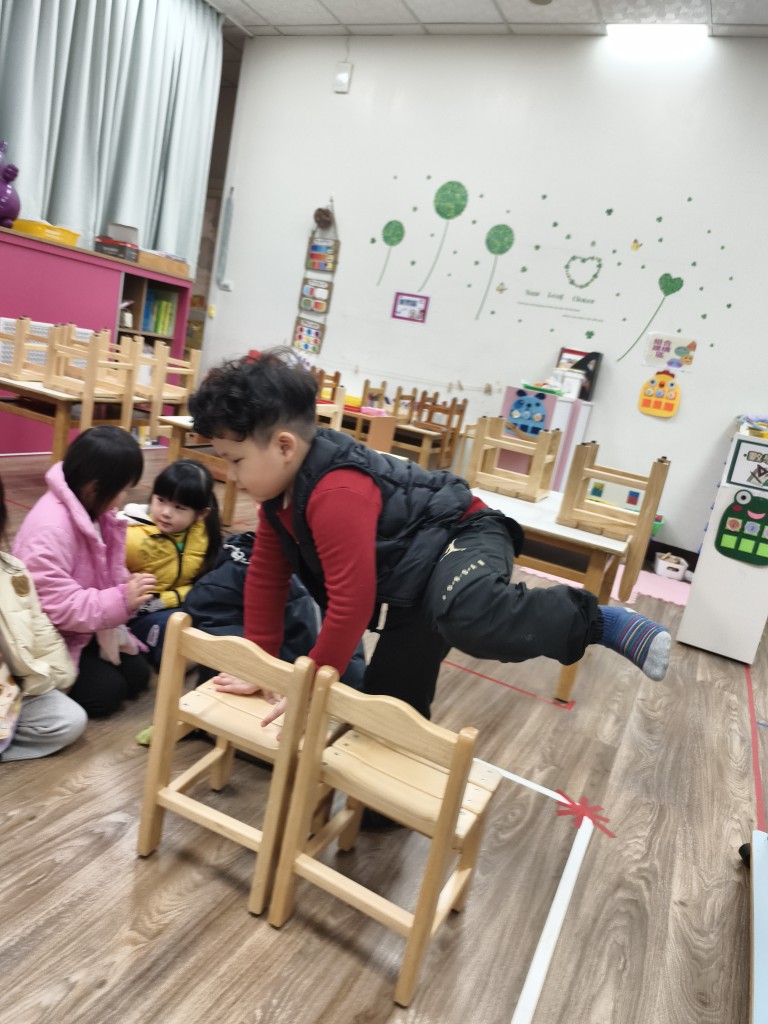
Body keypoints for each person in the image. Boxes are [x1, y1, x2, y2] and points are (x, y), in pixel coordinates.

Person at [187, 349, 671, 726]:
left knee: (467, 612)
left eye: (235, 460)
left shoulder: (335, 492)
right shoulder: (279, 501)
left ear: (284, 446)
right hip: (412, 583)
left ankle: (601, 622)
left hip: (463, 531)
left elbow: (351, 604)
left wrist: (306, 683)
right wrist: (259, 669)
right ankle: (378, 806)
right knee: (387, 708)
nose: (232, 475)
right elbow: (266, 582)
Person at [12, 426, 157, 719]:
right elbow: (57, 607)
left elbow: (105, 564)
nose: (123, 498)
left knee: (138, 677)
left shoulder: (95, 510)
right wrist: (121, 599)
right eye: (122, 489)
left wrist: (125, 581)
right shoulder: (50, 529)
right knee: (107, 694)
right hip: (52, 637)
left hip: (88, 623)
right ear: (94, 488)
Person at [0, 475, 87, 761]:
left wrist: (61, 674)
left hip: (10, 689)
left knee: (70, 719)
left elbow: (40, 629)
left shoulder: (12, 571)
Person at [122, 458, 222, 668]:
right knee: (173, 635)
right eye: (161, 500)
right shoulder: (131, 535)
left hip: (182, 603)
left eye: (178, 507)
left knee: (215, 617)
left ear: (201, 514)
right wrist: (124, 582)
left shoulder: (203, 533)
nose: (166, 512)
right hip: (143, 612)